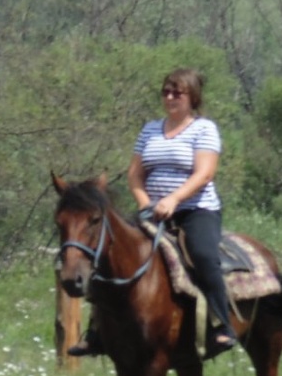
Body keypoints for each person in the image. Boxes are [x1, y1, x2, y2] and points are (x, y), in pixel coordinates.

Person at [70, 67, 238, 358]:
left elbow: (204, 174)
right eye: (166, 92)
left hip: (195, 210)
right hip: (153, 210)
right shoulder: (150, 129)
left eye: (177, 93)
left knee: (203, 255)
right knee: (110, 251)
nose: (170, 97)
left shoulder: (204, 129)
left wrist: (173, 199)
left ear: (192, 97)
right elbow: (135, 173)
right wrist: (144, 202)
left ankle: (221, 325)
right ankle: (96, 331)